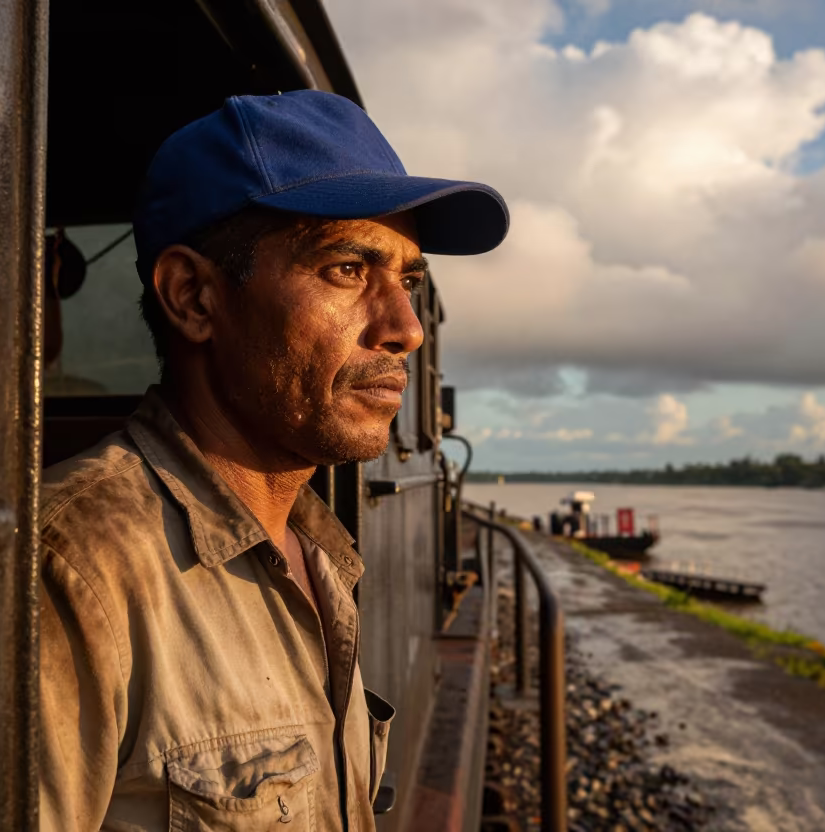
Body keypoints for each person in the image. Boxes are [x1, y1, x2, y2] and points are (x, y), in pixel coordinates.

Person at [37, 89, 508, 832]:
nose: (406, 329)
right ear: (194, 298)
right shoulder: (73, 574)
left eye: (409, 281)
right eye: (349, 268)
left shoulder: (320, 552)